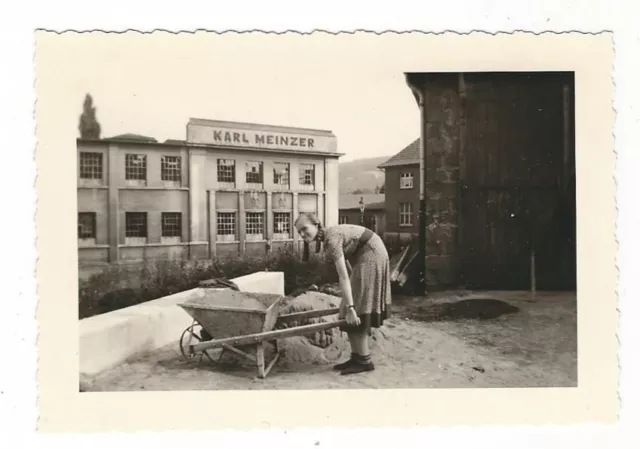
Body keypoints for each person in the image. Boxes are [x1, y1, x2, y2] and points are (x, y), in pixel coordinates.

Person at [294, 212, 392, 375]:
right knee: (346, 309)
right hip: (366, 255)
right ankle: (356, 357)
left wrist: (352, 307)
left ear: (316, 224)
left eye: (305, 229)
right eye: (299, 232)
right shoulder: (328, 238)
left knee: (357, 310)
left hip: (372, 255)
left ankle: (364, 360)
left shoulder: (331, 239)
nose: (303, 234)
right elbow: (347, 267)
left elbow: (343, 275)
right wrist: (352, 295)